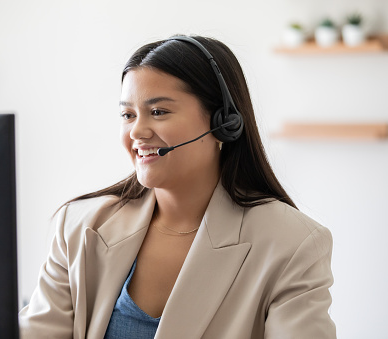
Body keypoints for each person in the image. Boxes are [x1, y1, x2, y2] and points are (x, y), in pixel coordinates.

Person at [18, 35, 336, 338]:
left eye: (158, 112)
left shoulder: (291, 244)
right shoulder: (79, 228)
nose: (137, 131)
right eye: (128, 114)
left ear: (222, 124)